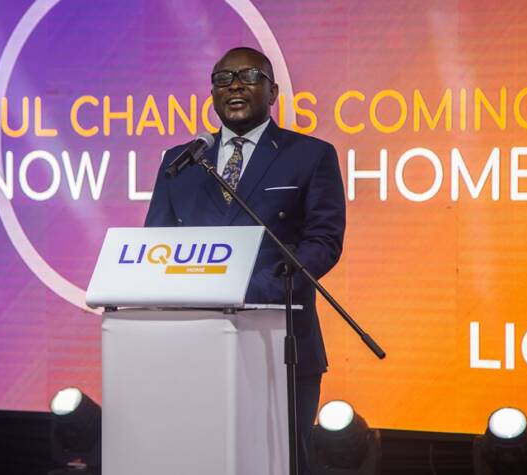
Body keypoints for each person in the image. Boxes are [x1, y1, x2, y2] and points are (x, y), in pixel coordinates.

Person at [144, 46, 346, 474]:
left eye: (249, 76)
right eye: (223, 79)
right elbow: (156, 246)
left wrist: (263, 288)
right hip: (195, 342)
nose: (234, 86)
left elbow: (323, 241)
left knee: (279, 460)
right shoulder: (181, 162)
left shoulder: (310, 155)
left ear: (273, 92)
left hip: (281, 341)